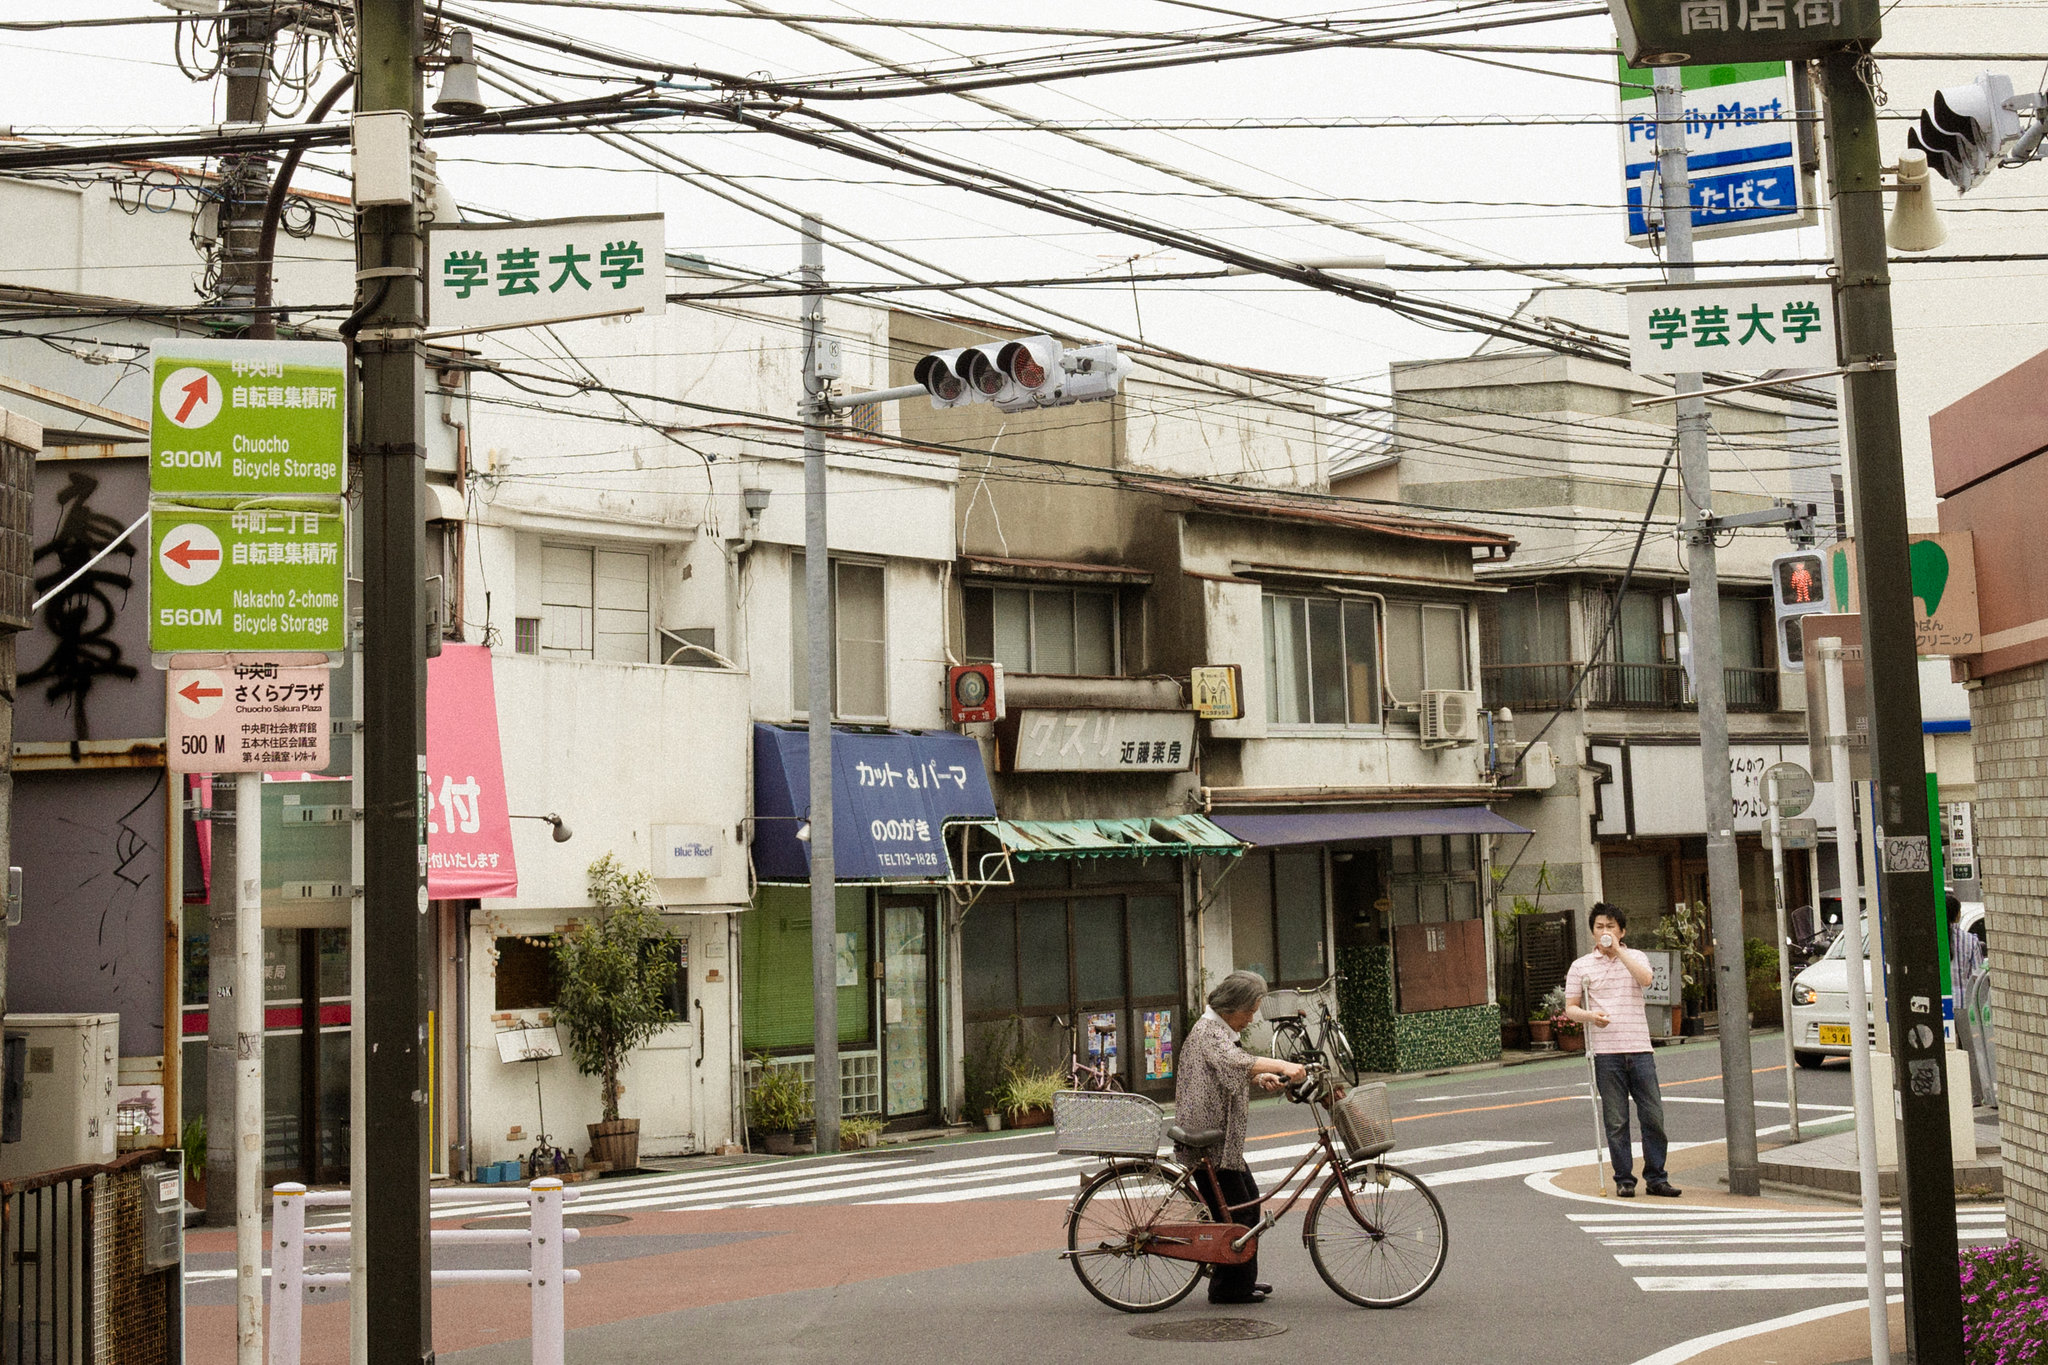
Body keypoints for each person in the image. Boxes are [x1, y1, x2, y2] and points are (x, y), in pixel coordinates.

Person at [1174, 970, 1309, 1305]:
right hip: (1209, 1141)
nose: (1251, 1019)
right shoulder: (1209, 1033)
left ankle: (1238, 1280)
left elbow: (1229, 1070)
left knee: (1244, 1204)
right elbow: (1233, 1061)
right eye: (1249, 1012)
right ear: (1231, 1007)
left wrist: (1261, 1076)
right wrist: (1282, 1065)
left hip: (1220, 1141)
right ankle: (1229, 1288)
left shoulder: (1218, 1030)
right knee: (1239, 1211)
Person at [1564, 904, 1681, 1199]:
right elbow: (1571, 1008)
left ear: (1622, 931)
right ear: (1592, 931)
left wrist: (1619, 951)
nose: (1605, 932)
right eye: (1600, 927)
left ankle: (1656, 1177)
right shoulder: (1581, 966)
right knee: (1616, 1121)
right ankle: (1624, 1179)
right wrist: (1591, 1017)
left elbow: (1645, 980)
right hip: (1606, 1053)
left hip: (1640, 1049)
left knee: (1653, 1117)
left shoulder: (1637, 956)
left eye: (1611, 927)